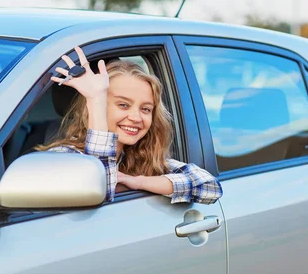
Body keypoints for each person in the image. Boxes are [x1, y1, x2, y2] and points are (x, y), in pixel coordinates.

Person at [37, 46, 222, 205]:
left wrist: (138, 182)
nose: (136, 117)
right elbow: (101, 190)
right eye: (123, 105)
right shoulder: (64, 157)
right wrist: (95, 99)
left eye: (146, 109)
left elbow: (209, 186)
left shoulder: (138, 157)